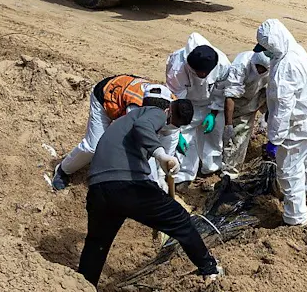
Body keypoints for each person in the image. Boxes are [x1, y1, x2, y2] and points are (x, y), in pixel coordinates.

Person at [76, 96, 223, 286]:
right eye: (173, 123)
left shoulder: (125, 123)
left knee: (97, 243)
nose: (169, 127)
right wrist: (161, 155)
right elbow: (143, 127)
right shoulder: (155, 113)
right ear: (169, 111)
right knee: (181, 219)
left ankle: (84, 286)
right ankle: (210, 270)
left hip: (99, 189)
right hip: (127, 185)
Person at [255, 19, 307, 226]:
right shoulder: (295, 50)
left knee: (289, 171)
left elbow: (283, 109)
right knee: (306, 158)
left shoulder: (285, 68)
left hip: (295, 128)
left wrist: (274, 140)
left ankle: (295, 217)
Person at [53, 76, 176, 191]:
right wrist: (153, 181)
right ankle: (63, 169)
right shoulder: (135, 109)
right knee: (93, 147)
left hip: (125, 97)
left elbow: (170, 138)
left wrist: (162, 174)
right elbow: (141, 143)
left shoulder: (176, 110)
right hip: (105, 98)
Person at [166, 34, 232, 182]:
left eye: (206, 73)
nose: (202, 75)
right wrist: (176, 130)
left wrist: (213, 114)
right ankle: (183, 176)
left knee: (214, 136)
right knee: (186, 137)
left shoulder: (222, 64)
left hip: (211, 102)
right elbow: (174, 98)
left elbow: (221, 91)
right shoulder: (177, 67)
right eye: (199, 73)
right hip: (187, 104)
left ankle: (210, 170)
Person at [221, 50, 271, 179]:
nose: (260, 71)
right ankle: (227, 170)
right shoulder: (241, 65)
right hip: (237, 101)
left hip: (258, 96)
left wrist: (265, 117)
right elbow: (230, 96)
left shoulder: (274, 67)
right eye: (258, 68)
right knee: (233, 136)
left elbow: (274, 95)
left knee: (241, 135)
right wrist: (228, 125)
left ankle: (230, 171)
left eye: (263, 70)